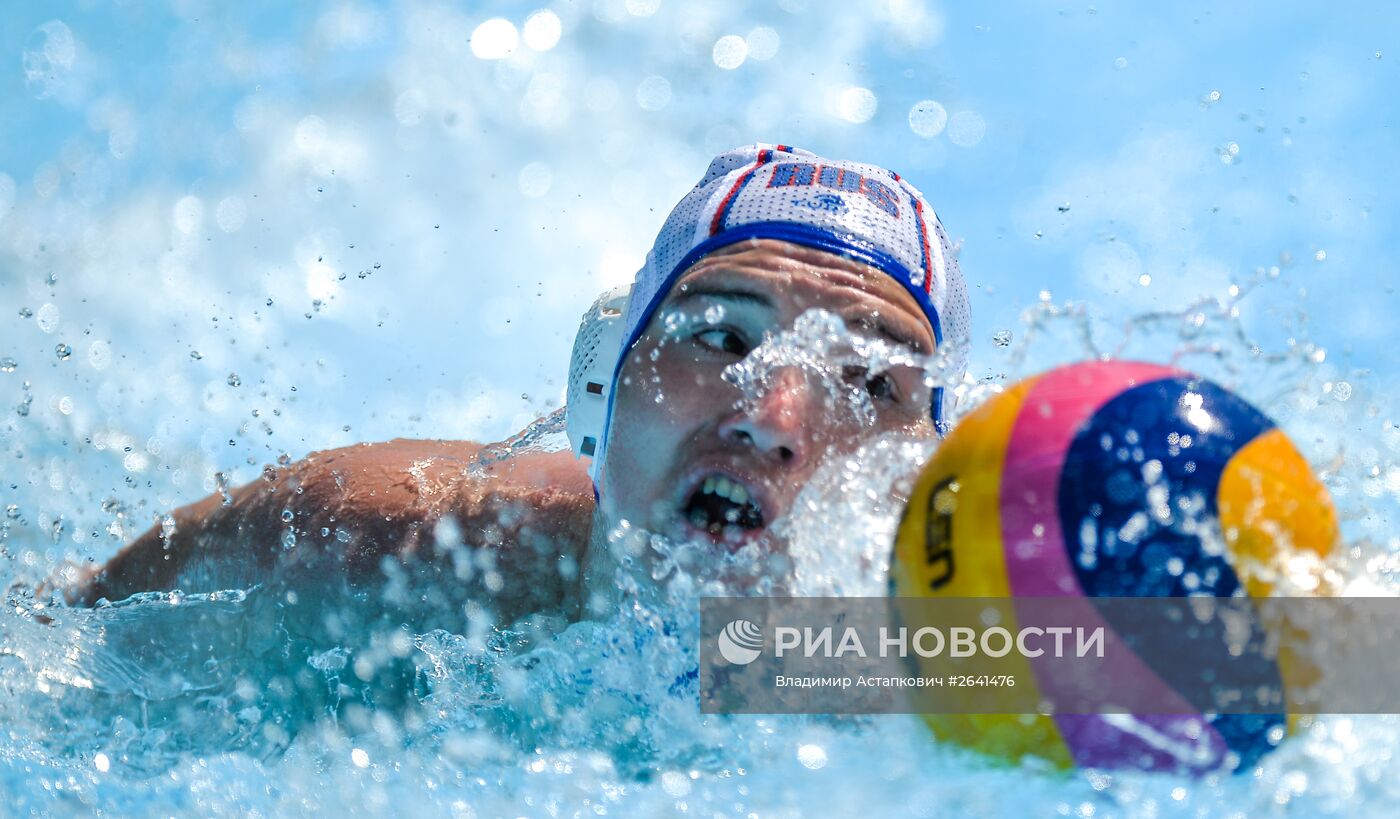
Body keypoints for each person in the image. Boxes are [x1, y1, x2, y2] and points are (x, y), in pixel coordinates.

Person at [60, 143, 970, 629]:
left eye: (868, 383)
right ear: (598, 387)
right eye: (722, 334)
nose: (773, 421)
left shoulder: (930, 665)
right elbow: (53, 651)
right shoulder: (377, 548)